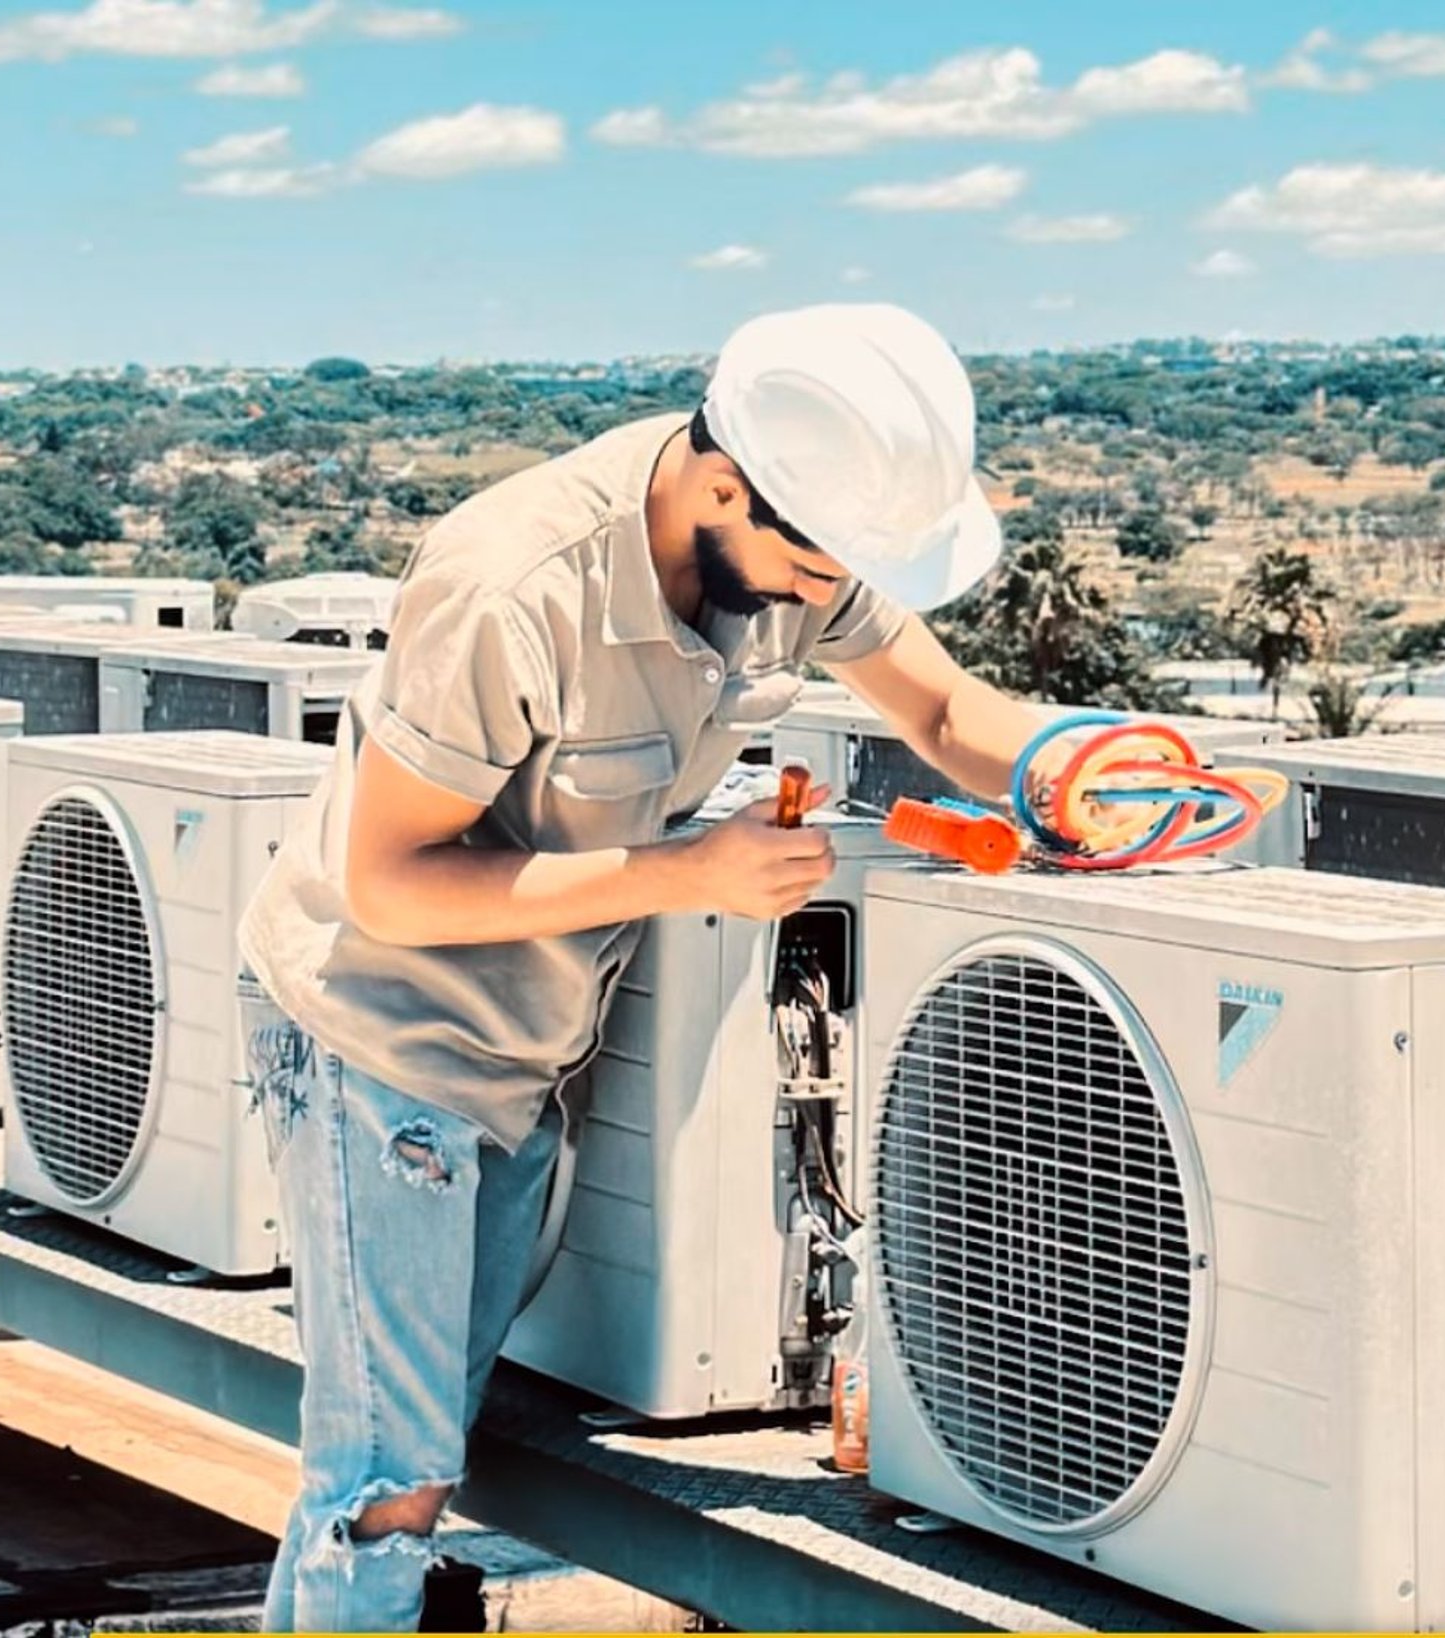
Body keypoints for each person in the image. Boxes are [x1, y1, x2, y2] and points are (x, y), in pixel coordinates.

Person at [238, 302, 1060, 1632]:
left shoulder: (788, 540)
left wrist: (1058, 765)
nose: (823, 596)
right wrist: (689, 873)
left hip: (519, 1058)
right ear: (724, 486)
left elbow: (944, 707)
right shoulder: (511, 585)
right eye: (815, 566)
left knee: (424, 1451)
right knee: (385, 1482)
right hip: (379, 1040)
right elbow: (386, 882)